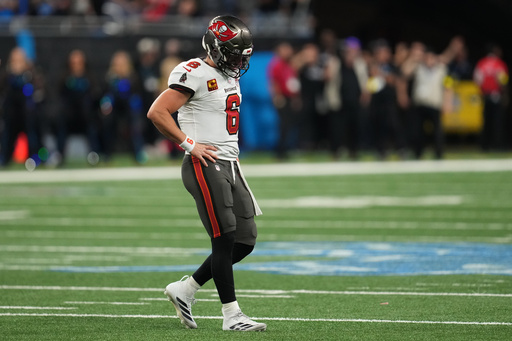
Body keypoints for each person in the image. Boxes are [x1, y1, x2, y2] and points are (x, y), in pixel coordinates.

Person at [146, 15, 266, 332]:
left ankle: (185, 290)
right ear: (215, 48)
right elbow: (157, 112)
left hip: (230, 163)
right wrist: (189, 144)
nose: (240, 61)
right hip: (204, 163)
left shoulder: (228, 73)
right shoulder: (194, 72)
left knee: (245, 239)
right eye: (235, 54)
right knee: (224, 236)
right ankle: (231, 315)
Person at [56, 49, 100, 165]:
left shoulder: (90, 78)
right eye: (74, 62)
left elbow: (95, 95)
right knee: (61, 124)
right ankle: (60, 155)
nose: (76, 65)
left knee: (93, 125)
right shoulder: (64, 78)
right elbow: (60, 96)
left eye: (79, 62)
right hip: (69, 115)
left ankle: (94, 155)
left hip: (86, 115)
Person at [100, 50, 146, 163]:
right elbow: (106, 95)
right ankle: (106, 154)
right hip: (115, 108)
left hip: (129, 108)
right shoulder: (110, 78)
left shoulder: (133, 77)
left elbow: (137, 94)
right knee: (107, 122)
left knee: (135, 124)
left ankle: (138, 154)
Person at [267, 41, 301, 159]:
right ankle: (280, 151)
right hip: (282, 97)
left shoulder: (289, 65)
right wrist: (277, 96)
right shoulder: (277, 65)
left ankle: (285, 149)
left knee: (288, 125)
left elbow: (292, 81)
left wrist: (295, 97)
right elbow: (274, 82)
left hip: (289, 97)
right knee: (284, 125)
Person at [473, 44, 509, 151]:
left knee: (486, 122)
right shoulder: (499, 64)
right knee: (497, 122)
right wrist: (505, 94)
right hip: (496, 95)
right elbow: (502, 80)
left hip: (485, 96)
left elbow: (477, 80)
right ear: (495, 51)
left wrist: (482, 91)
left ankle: (484, 146)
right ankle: (497, 145)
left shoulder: (481, 63)